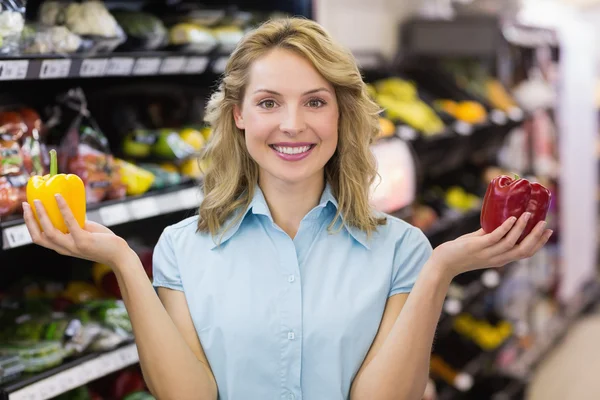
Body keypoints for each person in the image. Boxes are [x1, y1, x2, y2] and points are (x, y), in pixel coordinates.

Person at [22, 17, 553, 400]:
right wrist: (119, 260)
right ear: (238, 116)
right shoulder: (183, 248)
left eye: (316, 102)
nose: (293, 124)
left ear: (342, 116)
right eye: (269, 102)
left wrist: (439, 271)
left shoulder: (403, 248)